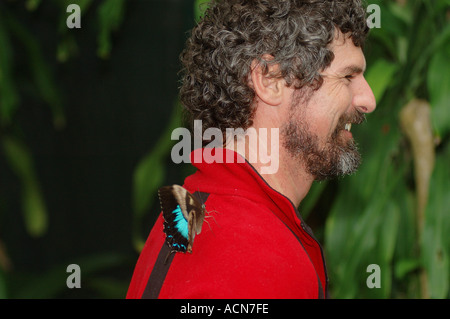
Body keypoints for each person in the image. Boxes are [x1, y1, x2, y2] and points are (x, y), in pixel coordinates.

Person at [127, 0, 376, 299]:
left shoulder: (187, 215)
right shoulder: (256, 256)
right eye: (348, 76)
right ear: (270, 80)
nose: (368, 99)